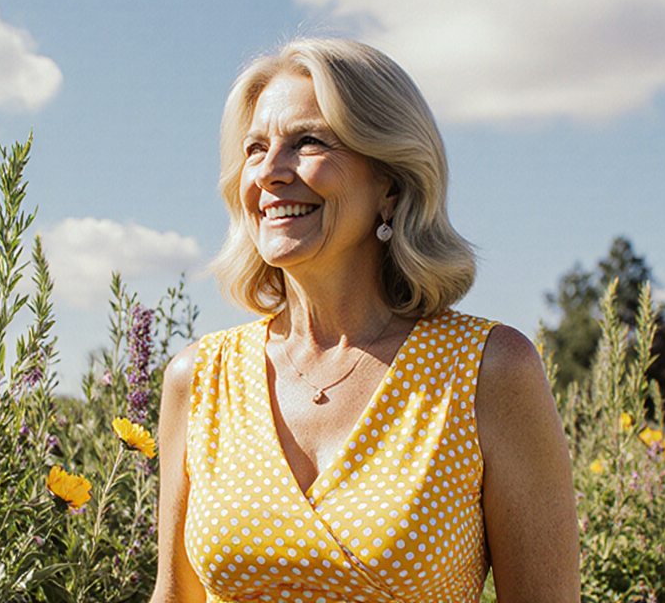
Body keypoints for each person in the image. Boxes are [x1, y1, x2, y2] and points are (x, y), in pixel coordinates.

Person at [151, 38, 579, 603]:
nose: (271, 173)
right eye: (255, 149)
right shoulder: (199, 378)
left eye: (307, 142)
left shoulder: (488, 371)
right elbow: (174, 596)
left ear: (391, 183)